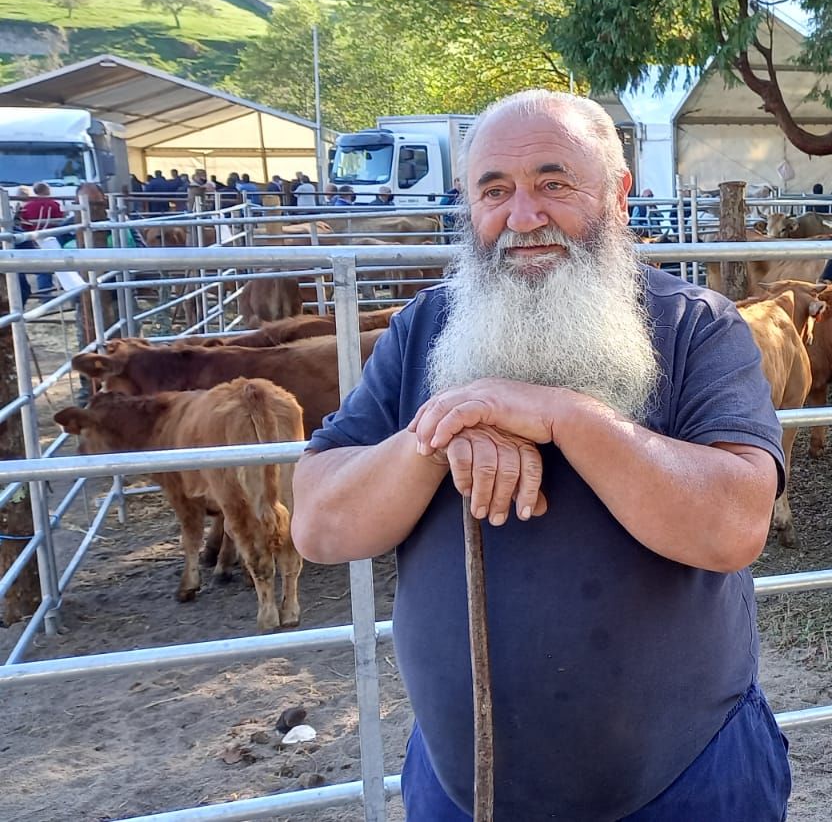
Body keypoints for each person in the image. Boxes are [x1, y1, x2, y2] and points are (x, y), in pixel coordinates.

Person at [290, 88, 791, 820]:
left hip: (686, 782)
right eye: (495, 191)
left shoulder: (696, 328)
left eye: (553, 184)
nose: (522, 217)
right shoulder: (423, 330)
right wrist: (446, 430)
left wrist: (564, 416)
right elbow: (318, 524)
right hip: (462, 790)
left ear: (619, 194)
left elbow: (734, 526)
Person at [15, 182, 64, 299]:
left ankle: (45, 296)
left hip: (33, 238)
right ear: (47, 191)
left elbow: (23, 224)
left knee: (42, 266)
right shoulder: (54, 204)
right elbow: (61, 220)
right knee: (56, 263)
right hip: (53, 237)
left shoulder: (27, 206)